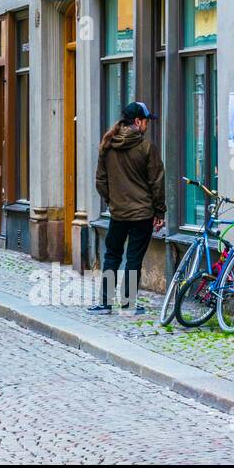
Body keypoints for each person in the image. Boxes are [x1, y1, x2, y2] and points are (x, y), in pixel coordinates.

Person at [90, 101, 166, 315]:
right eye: (146, 121)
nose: (147, 126)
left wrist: (113, 201)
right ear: (137, 121)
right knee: (134, 258)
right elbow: (156, 182)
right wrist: (159, 211)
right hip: (142, 214)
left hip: (118, 213)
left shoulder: (108, 145)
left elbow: (100, 181)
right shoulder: (146, 148)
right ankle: (127, 302)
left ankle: (105, 303)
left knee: (112, 255)